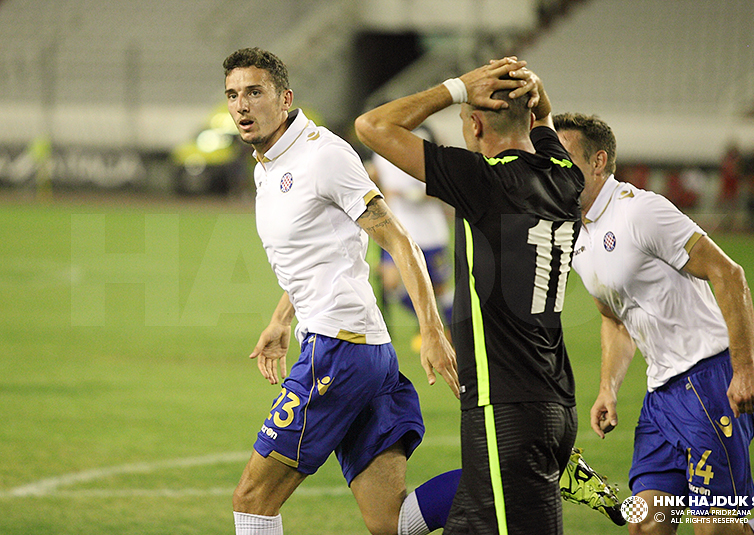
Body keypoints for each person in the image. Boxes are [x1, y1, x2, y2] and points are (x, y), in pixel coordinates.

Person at [223, 47, 461, 535]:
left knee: (252, 500)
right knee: (392, 522)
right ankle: (526, 476)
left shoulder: (323, 156)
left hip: (338, 351)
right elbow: (323, 252)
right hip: (358, 348)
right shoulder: (267, 163)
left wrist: (433, 329)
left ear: (285, 98)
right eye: (232, 95)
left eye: (254, 92)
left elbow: (399, 239)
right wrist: (281, 319)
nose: (241, 106)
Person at [357, 57, 590, 535]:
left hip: (504, 407)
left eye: (465, 119)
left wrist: (458, 87)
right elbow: (543, 121)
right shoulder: (565, 175)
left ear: (477, 122)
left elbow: (373, 125)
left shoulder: (485, 180)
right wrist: (534, 96)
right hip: (550, 400)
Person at [552, 112, 754, 535]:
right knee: (645, 525)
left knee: (716, 530)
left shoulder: (641, 211)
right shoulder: (580, 237)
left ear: (597, 162)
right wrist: (607, 389)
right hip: (661, 396)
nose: (555, 167)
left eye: (564, 157)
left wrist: (743, 368)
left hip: (710, 382)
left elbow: (729, 274)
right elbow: (615, 321)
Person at [366, 124, 454, 347]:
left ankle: (454, 331)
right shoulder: (381, 155)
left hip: (431, 233)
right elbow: (379, 184)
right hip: (399, 232)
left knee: (439, 289)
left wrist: (409, 194)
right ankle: (432, 324)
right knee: (390, 283)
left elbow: (442, 189)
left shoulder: (423, 153)